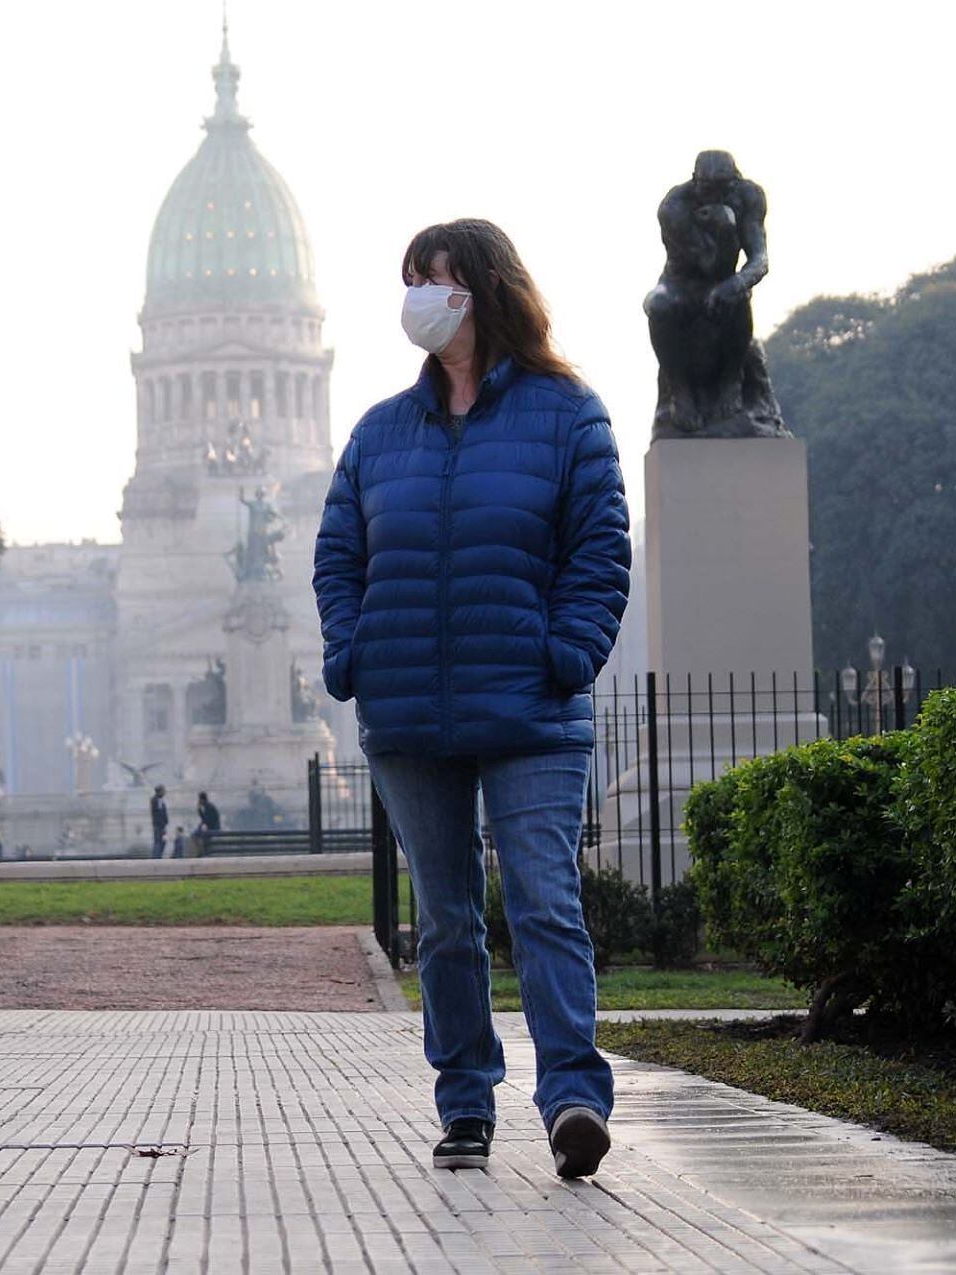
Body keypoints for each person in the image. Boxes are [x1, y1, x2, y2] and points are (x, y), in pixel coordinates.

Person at [313, 219, 631, 1181]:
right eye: (409, 280)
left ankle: (572, 1095)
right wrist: (352, 652)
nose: (416, 298)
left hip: (531, 707)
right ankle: (465, 1102)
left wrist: (567, 654)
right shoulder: (379, 432)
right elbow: (339, 556)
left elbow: (600, 549)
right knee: (447, 921)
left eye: (434, 280)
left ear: (483, 290)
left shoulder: (568, 414)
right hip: (410, 712)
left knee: (543, 901)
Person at [149, 784, 170, 858]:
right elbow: (160, 813)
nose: (165, 792)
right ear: (160, 791)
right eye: (163, 790)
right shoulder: (158, 800)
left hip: (159, 824)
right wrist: (163, 823)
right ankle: (157, 856)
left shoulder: (157, 799)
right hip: (160, 825)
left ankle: (157, 856)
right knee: (159, 841)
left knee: (161, 840)